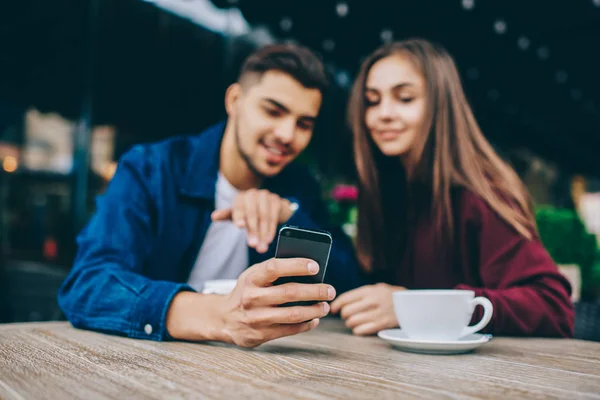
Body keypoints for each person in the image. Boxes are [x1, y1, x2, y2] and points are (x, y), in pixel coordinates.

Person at [58, 44, 362, 348]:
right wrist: (220, 317)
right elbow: (88, 285)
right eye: (273, 111)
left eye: (303, 124)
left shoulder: (298, 188)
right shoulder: (152, 169)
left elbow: (348, 287)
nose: (286, 134)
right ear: (235, 100)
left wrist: (290, 216)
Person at [330, 38, 575, 337]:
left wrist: (414, 306)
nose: (384, 113)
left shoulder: (481, 192)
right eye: (372, 101)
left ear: (440, 106)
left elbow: (554, 307)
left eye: (405, 98)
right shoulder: (392, 191)